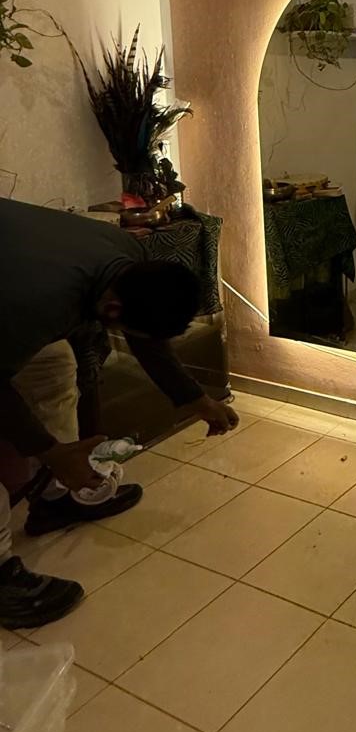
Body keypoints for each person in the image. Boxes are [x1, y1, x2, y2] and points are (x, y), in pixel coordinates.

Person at [0, 198, 238, 628]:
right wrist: (50, 451)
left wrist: (193, 398)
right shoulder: (40, 303)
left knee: (54, 365)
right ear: (111, 310)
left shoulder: (127, 255)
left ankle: (52, 498)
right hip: (13, 297)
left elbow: (145, 334)